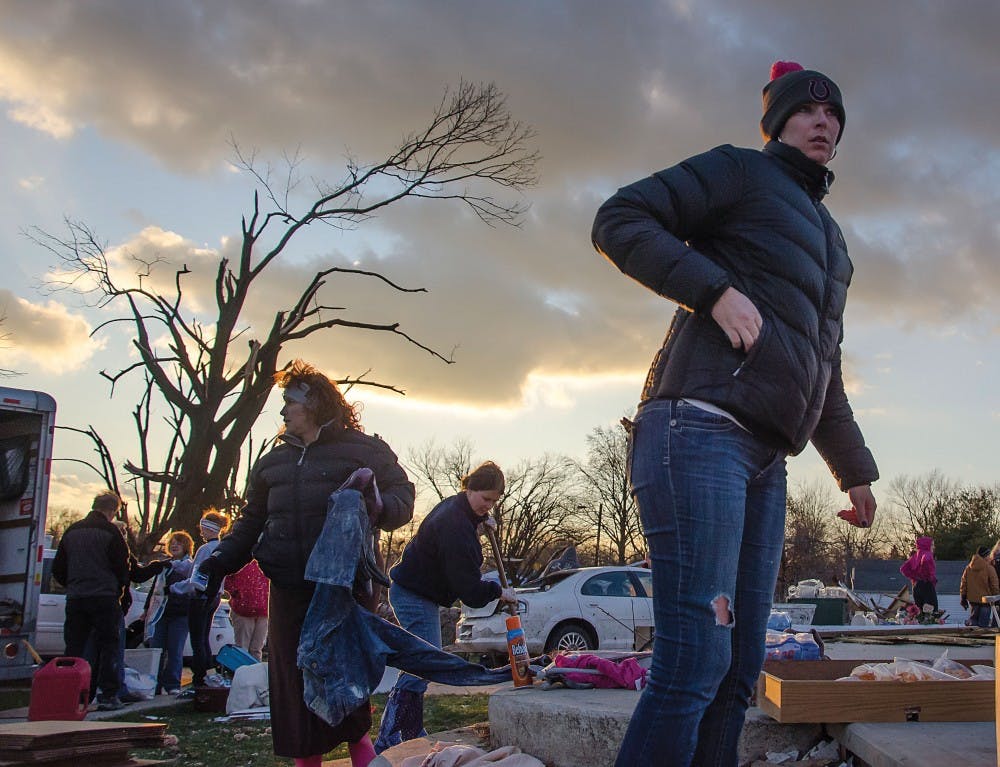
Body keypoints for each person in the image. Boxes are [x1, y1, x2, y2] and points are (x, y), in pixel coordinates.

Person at [590, 60, 879, 766]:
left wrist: (854, 470)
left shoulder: (833, 244)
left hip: (765, 457)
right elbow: (619, 218)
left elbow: (822, 367)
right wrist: (712, 290)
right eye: (810, 111)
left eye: (835, 115)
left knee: (740, 667)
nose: (825, 123)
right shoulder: (741, 173)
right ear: (778, 119)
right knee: (695, 655)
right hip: (697, 427)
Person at [198, 360, 415, 767]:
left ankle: (363, 758)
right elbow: (251, 522)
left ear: (313, 402)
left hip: (344, 591)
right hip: (289, 592)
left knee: (346, 690)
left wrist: (378, 503)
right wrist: (217, 561)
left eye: (289, 403)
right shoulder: (271, 463)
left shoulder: (365, 451)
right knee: (294, 695)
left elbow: (402, 498)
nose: (281, 412)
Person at [374, 461, 517, 753]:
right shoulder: (455, 526)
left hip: (415, 590)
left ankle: (408, 728)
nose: (488, 505)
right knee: (424, 663)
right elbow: (470, 591)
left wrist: (481, 521)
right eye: (485, 498)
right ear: (470, 488)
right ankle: (393, 732)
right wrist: (499, 592)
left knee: (424, 663)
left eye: (494, 501)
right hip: (413, 595)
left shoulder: (458, 508)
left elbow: (469, 525)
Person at [52, 490, 132, 710]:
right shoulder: (110, 531)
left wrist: (73, 584)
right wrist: (119, 588)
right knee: (109, 646)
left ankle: (69, 693)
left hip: (77, 597)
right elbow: (122, 566)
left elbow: (58, 567)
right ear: (112, 510)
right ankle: (108, 694)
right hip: (104, 597)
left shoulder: (72, 530)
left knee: (74, 647)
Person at [185, 509, 229, 687]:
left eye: (203, 528)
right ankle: (208, 671)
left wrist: (176, 587)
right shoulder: (223, 548)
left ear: (209, 529)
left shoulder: (205, 549)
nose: (201, 532)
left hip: (201, 596)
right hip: (216, 595)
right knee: (204, 636)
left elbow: (196, 575)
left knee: (197, 637)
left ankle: (199, 675)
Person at [148, 530, 196, 694]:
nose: (175, 545)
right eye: (172, 542)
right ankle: (153, 683)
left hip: (180, 613)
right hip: (161, 613)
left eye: (179, 542)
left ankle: (172, 684)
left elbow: (191, 588)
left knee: (175, 649)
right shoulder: (164, 566)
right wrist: (146, 609)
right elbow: (155, 590)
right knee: (156, 649)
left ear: (186, 546)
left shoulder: (189, 567)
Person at [224, 558, 269, 661]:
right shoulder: (238, 558)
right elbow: (226, 579)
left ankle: (254, 676)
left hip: (263, 611)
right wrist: (237, 592)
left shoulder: (267, 558)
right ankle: (242, 675)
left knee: (256, 649)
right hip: (243, 609)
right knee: (242, 649)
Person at [960, 546, 999, 628]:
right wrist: (997, 600)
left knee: (973, 627)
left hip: (973, 603)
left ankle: (973, 640)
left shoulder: (968, 568)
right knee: (983, 628)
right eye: (988, 555)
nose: (990, 557)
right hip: (985, 603)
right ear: (985, 556)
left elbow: (963, 584)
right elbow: (994, 585)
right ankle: (982, 641)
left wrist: (963, 598)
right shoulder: (989, 568)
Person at [900, 535, 938, 611]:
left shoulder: (915, 556)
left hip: (915, 587)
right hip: (926, 585)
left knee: (919, 611)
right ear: (927, 545)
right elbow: (926, 561)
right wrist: (928, 577)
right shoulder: (927, 554)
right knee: (931, 611)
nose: (933, 547)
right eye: (932, 545)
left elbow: (903, 569)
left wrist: (914, 577)